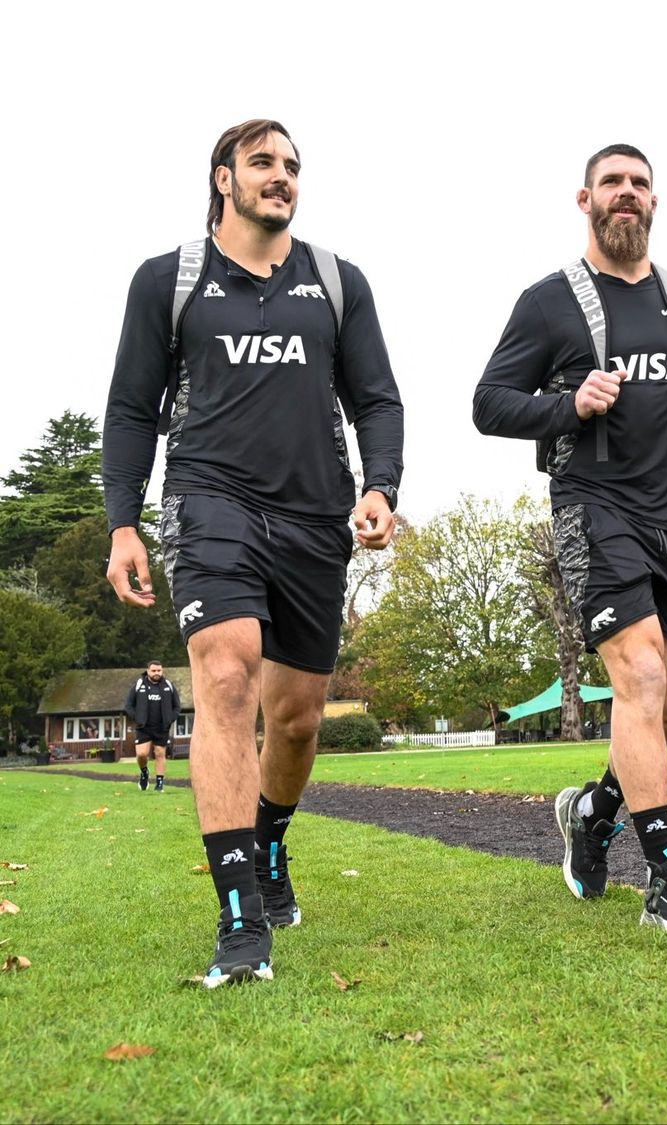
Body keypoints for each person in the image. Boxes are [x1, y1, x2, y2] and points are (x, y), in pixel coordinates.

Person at [103, 119, 405, 986]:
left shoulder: (338, 283)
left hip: (315, 518)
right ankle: (240, 921)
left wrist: (379, 487)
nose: (282, 177)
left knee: (299, 716)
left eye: (293, 166)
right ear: (223, 178)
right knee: (225, 674)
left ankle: (269, 841)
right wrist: (124, 522)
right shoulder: (170, 281)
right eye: (264, 163)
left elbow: (377, 399)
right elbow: (130, 411)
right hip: (210, 503)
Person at [474, 144, 667, 931]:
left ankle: (594, 810)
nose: (627, 194)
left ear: (655, 202)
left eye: (640, 183)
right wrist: (568, 404)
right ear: (585, 199)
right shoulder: (549, 302)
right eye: (613, 183)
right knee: (642, 677)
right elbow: (488, 402)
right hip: (594, 505)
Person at [123, 661, 180, 792]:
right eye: (154, 671)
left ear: (162, 671)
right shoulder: (139, 685)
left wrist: (170, 719)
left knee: (160, 754)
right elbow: (128, 705)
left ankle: (159, 783)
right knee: (142, 755)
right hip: (144, 727)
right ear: (148, 671)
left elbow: (177, 706)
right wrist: (137, 718)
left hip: (162, 727)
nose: (156, 673)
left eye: (159, 670)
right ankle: (144, 772)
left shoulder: (168, 686)